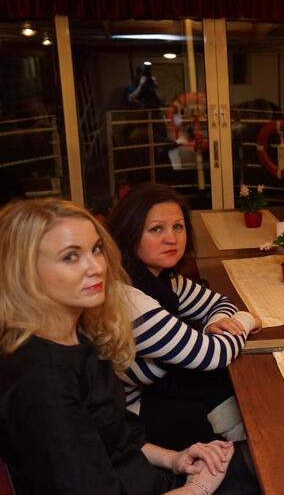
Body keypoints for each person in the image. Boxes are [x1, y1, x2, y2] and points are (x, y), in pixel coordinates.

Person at [0, 198, 238, 494]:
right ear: (23, 272)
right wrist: (197, 489)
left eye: (97, 249)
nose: (96, 267)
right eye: (71, 256)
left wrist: (175, 459)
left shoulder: (80, 335)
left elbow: (116, 439)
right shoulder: (43, 382)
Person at [107, 183, 259, 450]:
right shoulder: (127, 299)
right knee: (251, 424)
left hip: (158, 391)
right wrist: (246, 320)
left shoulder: (164, 279)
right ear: (129, 234)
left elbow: (221, 303)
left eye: (178, 226)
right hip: (128, 420)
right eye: (157, 229)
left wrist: (215, 324)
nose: (172, 238)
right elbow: (213, 355)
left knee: (247, 395)